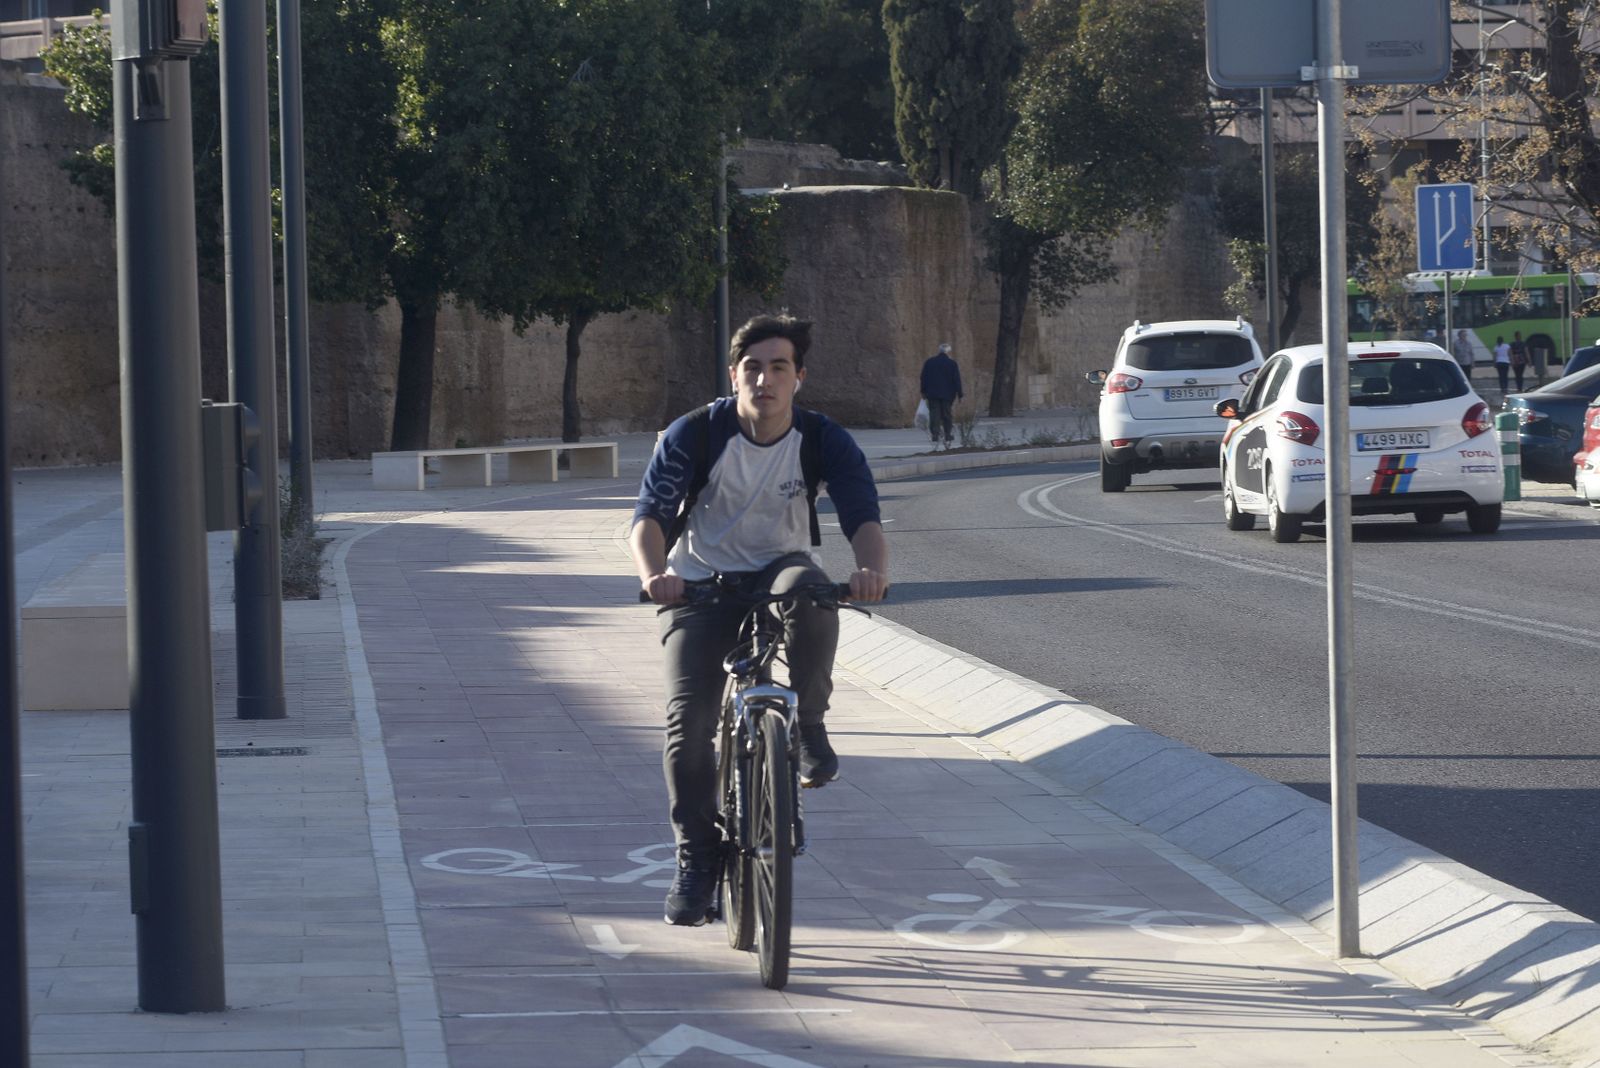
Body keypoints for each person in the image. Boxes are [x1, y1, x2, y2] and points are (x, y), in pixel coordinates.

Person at [630, 313, 890, 927]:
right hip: (699, 584)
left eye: (779, 368)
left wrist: (871, 571)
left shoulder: (823, 438)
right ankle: (696, 860)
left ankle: (808, 728)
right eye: (753, 368)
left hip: (780, 572)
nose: (765, 380)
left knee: (813, 590)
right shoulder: (696, 433)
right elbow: (650, 516)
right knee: (687, 725)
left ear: (799, 377)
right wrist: (654, 574)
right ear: (733, 375)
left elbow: (863, 517)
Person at [919, 342, 963, 449]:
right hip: (948, 394)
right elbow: (956, 380)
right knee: (947, 414)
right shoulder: (952, 363)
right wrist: (960, 394)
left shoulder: (929, 362)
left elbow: (923, 377)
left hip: (932, 393)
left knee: (934, 413)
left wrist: (923, 391)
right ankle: (948, 434)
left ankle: (935, 434)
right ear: (948, 352)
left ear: (939, 351)